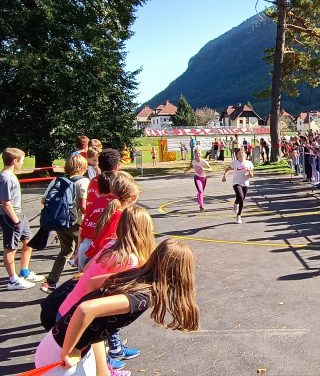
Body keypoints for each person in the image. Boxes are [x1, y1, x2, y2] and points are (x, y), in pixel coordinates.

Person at [34, 239, 199, 376]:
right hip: (58, 354)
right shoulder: (141, 297)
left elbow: (92, 284)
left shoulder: (134, 275)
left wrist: (98, 362)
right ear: (180, 274)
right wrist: (68, 351)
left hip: (66, 345)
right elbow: (86, 309)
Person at [60, 205, 155, 371]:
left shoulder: (112, 244)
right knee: (88, 362)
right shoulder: (129, 260)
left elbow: (87, 266)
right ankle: (110, 361)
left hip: (68, 309)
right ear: (146, 231)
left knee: (97, 351)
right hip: (76, 318)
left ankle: (109, 362)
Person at [40, 155, 90, 293]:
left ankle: (50, 281)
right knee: (86, 252)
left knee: (66, 250)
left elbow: (44, 200)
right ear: (84, 167)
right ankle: (84, 284)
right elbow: (84, 205)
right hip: (77, 223)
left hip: (60, 222)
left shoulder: (57, 180)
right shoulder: (83, 181)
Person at [1, 148, 45, 290]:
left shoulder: (11, 175)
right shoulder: (5, 178)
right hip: (11, 217)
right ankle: (13, 280)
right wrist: (16, 220)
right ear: (15, 161)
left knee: (29, 242)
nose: (23, 163)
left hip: (19, 215)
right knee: (11, 248)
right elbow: (5, 202)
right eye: (22, 160)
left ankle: (24, 272)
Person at [83, 172, 140, 266]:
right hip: (100, 259)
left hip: (94, 256)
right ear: (133, 198)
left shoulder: (110, 210)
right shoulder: (120, 216)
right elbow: (108, 241)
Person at [76, 172, 115, 272]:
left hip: (85, 247)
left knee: (82, 281)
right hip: (103, 248)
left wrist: (78, 251)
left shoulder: (95, 202)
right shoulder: (115, 203)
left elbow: (82, 229)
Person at [222, 149, 254, 224]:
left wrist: (249, 173)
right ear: (237, 156)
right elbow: (227, 169)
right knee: (240, 196)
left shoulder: (249, 163)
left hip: (245, 183)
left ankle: (238, 215)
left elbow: (252, 175)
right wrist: (224, 176)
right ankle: (236, 204)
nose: (241, 154)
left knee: (242, 199)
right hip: (236, 183)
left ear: (245, 155)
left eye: (242, 153)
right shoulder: (234, 163)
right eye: (239, 153)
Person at [187, 146, 212, 212]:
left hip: (204, 178)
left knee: (201, 192)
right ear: (194, 154)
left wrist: (204, 169)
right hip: (197, 178)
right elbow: (190, 166)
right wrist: (185, 170)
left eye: (199, 153)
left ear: (201, 154)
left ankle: (199, 197)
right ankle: (201, 206)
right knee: (201, 191)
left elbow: (211, 169)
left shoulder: (204, 162)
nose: (198, 155)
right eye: (196, 153)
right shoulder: (193, 161)